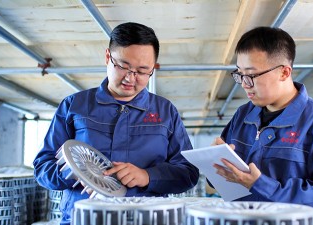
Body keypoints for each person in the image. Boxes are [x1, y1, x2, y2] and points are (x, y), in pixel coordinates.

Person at [33, 22, 199, 225]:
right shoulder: (74, 106)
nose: (131, 78)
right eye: (123, 66)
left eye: (142, 70)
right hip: (83, 220)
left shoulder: (165, 112)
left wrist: (148, 176)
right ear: (107, 57)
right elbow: (43, 167)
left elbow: (188, 173)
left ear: (152, 69)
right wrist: (78, 172)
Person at [212, 26, 313, 225]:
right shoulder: (243, 115)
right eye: (240, 74)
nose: (244, 84)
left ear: (284, 72)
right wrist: (215, 164)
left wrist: (262, 185)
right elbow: (226, 182)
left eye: (251, 75)